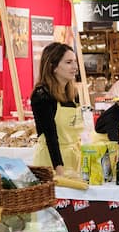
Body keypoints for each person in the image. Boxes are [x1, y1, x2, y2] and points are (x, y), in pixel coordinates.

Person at [31, 43, 82, 175]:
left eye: (75, 62)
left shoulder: (73, 93)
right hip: (51, 163)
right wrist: (60, 171)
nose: (75, 67)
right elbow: (51, 137)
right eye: (69, 62)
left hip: (73, 160)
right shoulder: (42, 95)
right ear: (53, 67)